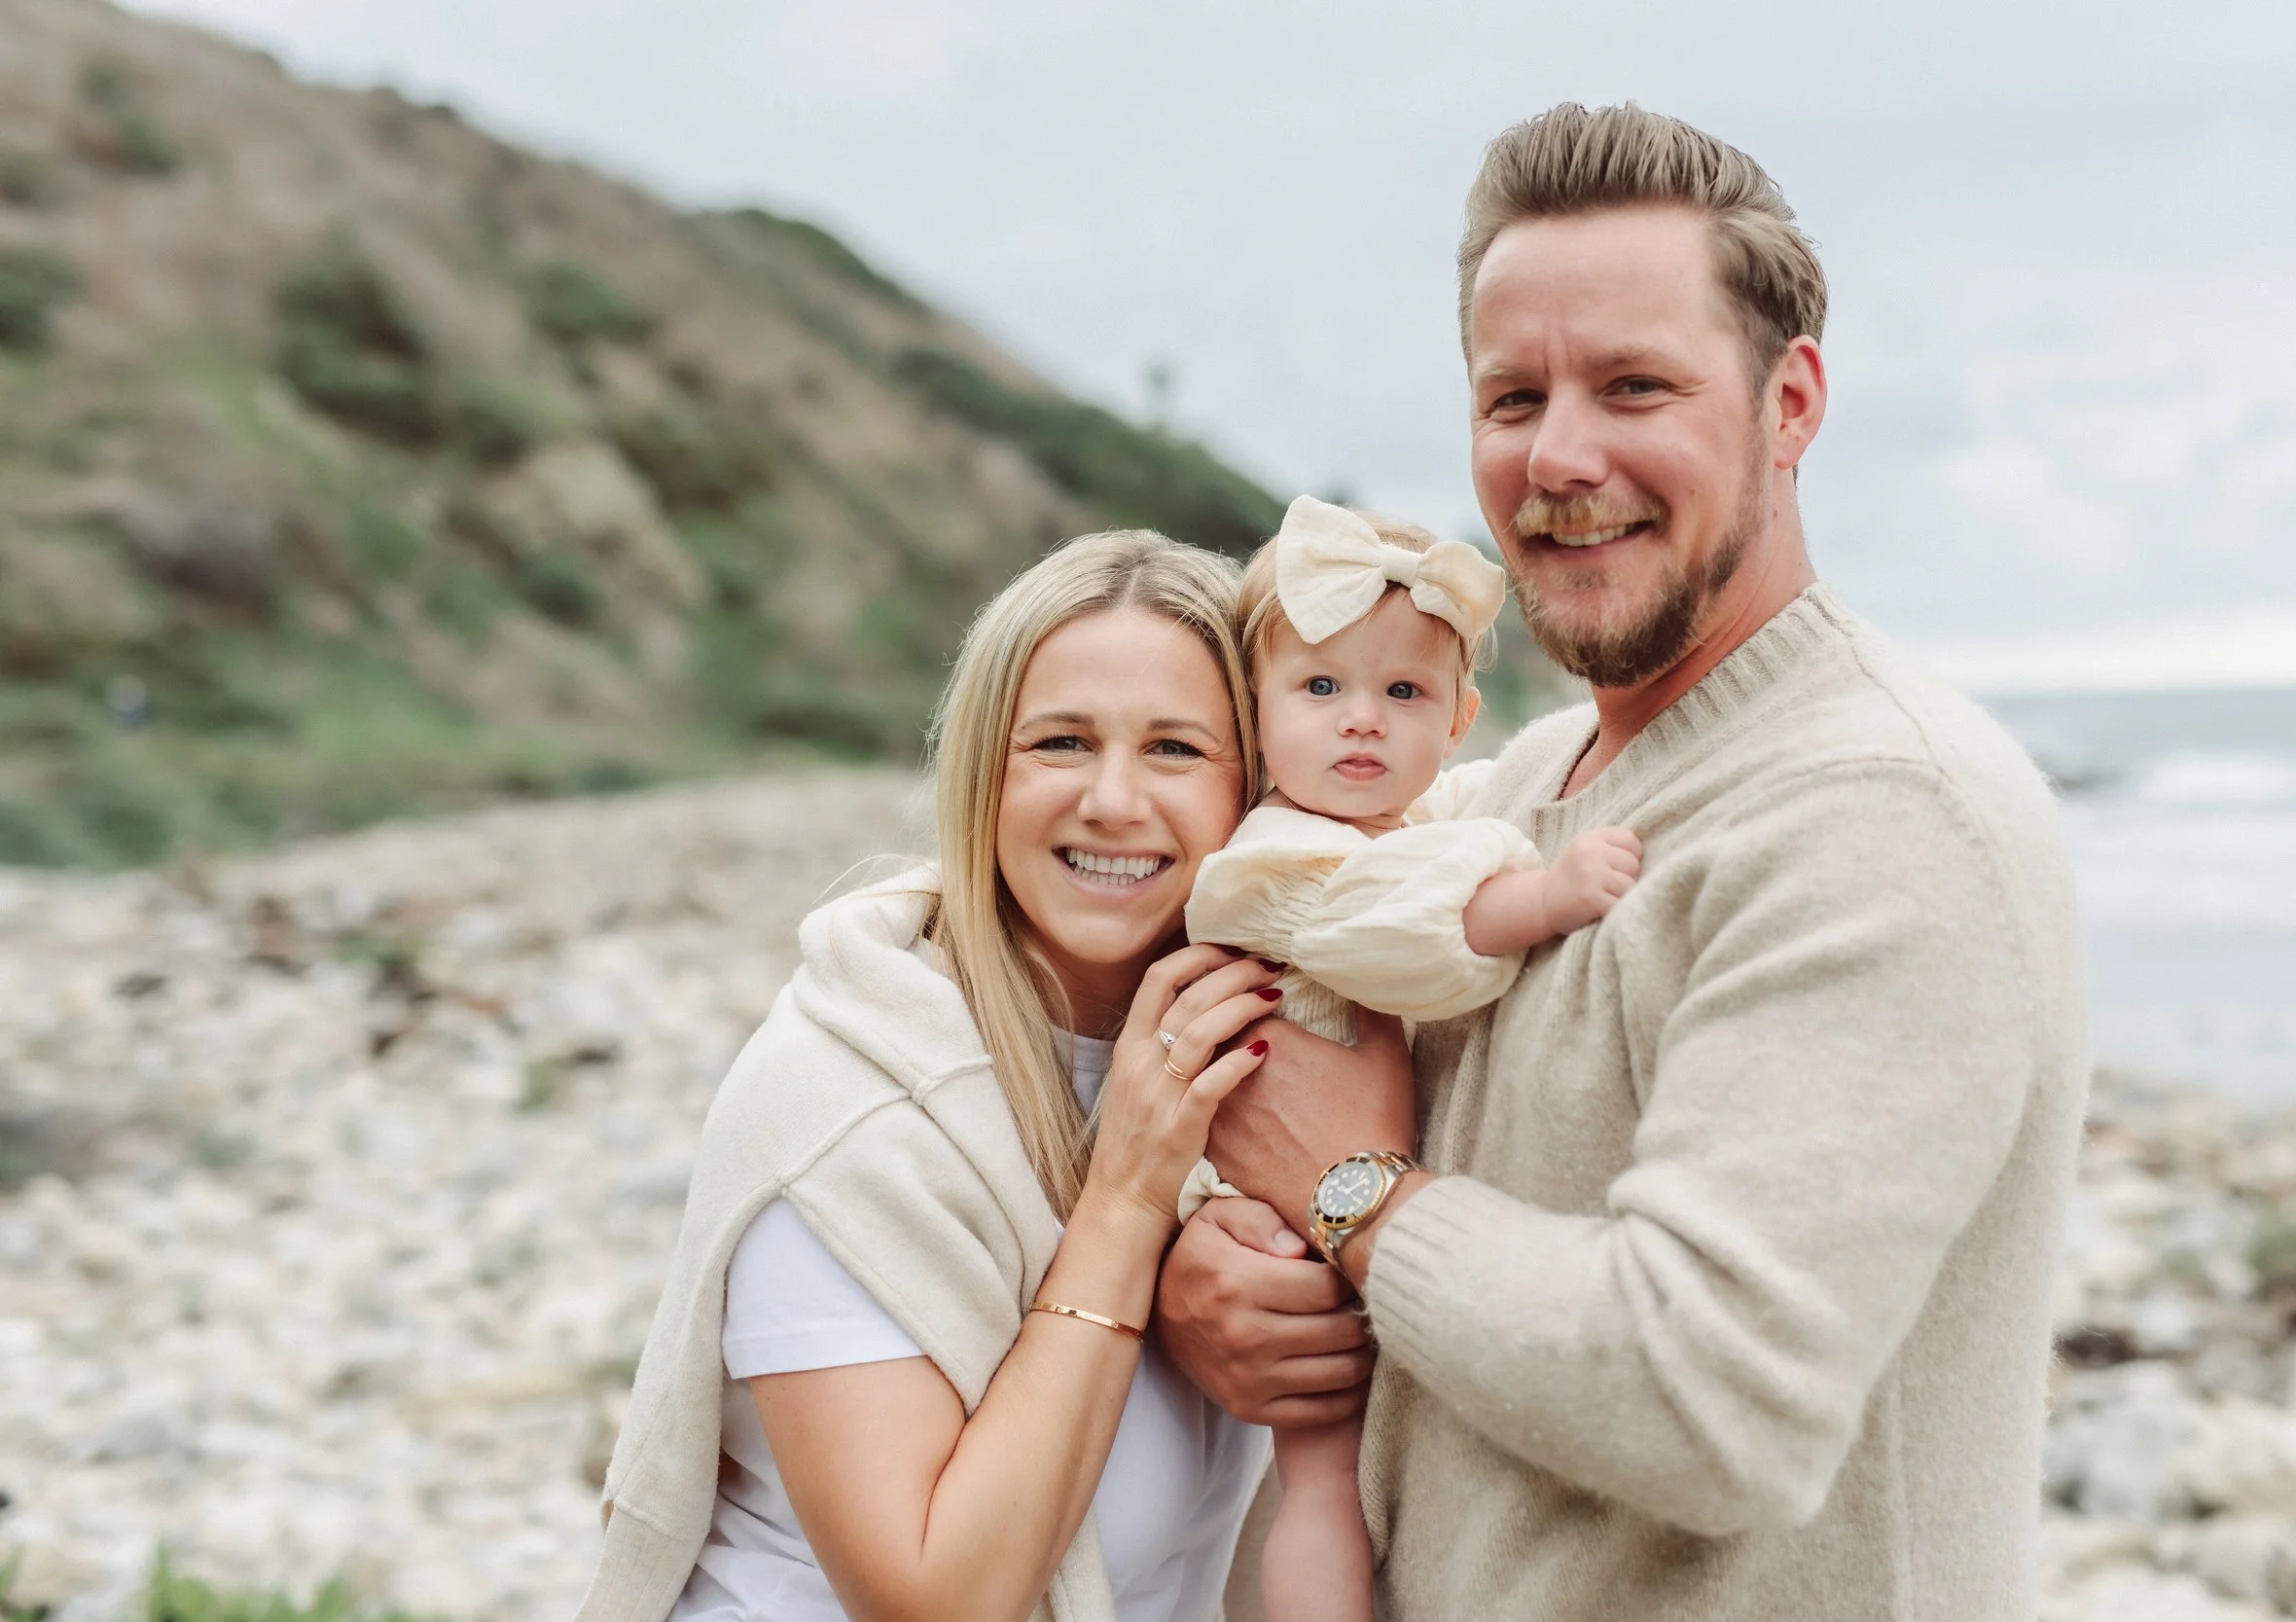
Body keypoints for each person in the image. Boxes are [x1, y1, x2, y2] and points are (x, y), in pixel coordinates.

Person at [1157, 102, 2088, 1621]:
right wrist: (1223, 1282)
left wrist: (1350, 1194)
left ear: (1791, 403)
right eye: (1511, 396)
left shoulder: (1887, 814)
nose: (1560, 456)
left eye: (1635, 385)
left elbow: (1703, 1395)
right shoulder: (1514, 790)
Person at [577, 529, 1301, 1622]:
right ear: (980, 771)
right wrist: (1128, 1202)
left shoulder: (1275, 1056)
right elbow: (934, 1597)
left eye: (1175, 748)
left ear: (1257, 779)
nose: (1112, 799)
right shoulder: (842, 1097)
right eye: (1059, 741)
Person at [1175, 495, 1643, 1622]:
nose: (1362, 724)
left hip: (1352, 1186)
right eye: (1321, 688)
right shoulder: (1272, 861)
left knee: (1382, 1465)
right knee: (1324, 1482)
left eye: (1403, 694)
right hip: (1276, 1212)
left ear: (1458, 715)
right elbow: (1413, 938)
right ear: (1255, 711)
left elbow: (1472, 800)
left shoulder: (1393, 815)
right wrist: (1544, 894)